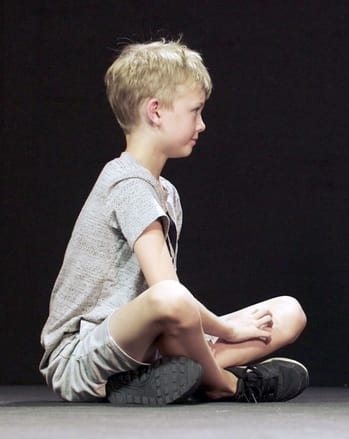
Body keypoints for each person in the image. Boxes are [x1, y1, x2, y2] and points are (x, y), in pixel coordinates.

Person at [39, 39, 308, 404]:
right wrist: (227, 328)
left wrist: (221, 329)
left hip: (145, 350)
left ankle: (167, 380)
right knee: (171, 296)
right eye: (195, 111)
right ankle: (225, 383)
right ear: (156, 112)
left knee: (288, 312)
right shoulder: (128, 184)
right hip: (82, 359)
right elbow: (167, 293)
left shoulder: (165, 191)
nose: (202, 124)